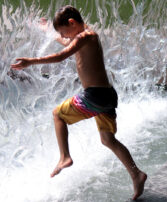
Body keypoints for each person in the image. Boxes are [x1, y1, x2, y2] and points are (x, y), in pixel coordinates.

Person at [11, 5, 147, 200]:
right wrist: (47, 30)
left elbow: (61, 56)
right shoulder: (86, 36)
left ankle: (64, 157)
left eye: (65, 32)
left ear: (72, 23)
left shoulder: (85, 37)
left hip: (95, 96)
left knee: (58, 114)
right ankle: (136, 174)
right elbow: (65, 42)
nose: (64, 37)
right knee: (108, 140)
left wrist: (30, 62)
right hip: (106, 95)